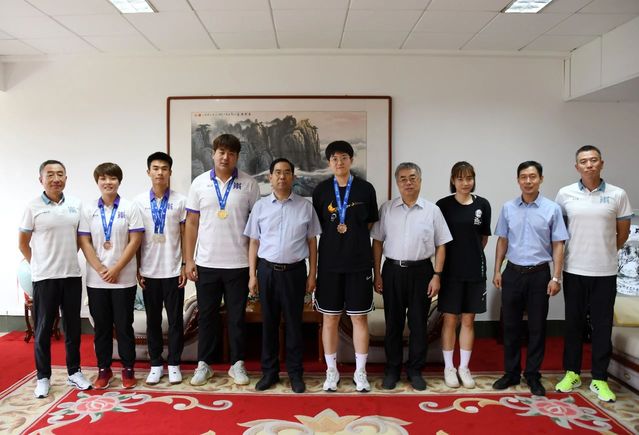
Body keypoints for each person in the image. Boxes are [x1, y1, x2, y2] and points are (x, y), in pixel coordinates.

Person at [554, 145, 633, 402]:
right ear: (576, 166)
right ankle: (572, 373)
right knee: (573, 325)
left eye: (593, 160)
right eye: (584, 161)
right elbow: (559, 234)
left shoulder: (618, 194)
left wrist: (605, 252)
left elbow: (623, 234)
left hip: (605, 272)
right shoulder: (565, 194)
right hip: (574, 269)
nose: (589, 165)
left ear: (601, 163)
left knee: (602, 326)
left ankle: (599, 378)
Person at [184, 133, 260, 386]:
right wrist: (189, 260)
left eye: (231, 153)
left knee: (237, 317)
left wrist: (254, 268)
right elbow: (192, 223)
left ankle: (237, 364)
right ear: (213, 154)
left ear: (237, 157)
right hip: (206, 262)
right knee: (207, 316)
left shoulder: (249, 184)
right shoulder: (199, 183)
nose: (225, 157)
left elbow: (256, 228)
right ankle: (204, 364)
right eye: (221, 152)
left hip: (239, 263)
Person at [372, 162, 452, 391]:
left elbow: (442, 244)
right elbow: (377, 242)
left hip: (422, 272)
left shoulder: (432, 210)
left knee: (418, 325)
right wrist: (377, 273)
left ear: (420, 181)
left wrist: (437, 275)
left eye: (412, 178)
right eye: (403, 179)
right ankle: (392, 369)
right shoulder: (387, 209)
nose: (408, 182)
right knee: (393, 324)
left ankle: (415, 370)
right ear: (397, 183)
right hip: (393, 271)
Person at [244, 158, 321, 393]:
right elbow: (254, 242)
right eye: (277, 172)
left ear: (293, 177)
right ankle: (269, 372)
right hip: (267, 271)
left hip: (295, 273)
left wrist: (312, 274)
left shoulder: (305, 207)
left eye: (287, 172)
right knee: (269, 323)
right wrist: (252, 275)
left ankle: (295, 374)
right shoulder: (260, 206)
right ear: (270, 177)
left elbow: (312, 242)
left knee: (294, 325)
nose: (282, 177)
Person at [492, 161, 568, 396]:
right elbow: (502, 240)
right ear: (518, 180)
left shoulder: (552, 209)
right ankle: (511, 372)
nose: (528, 181)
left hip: (539, 274)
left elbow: (558, 244)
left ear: (541, 179)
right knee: (510, 326)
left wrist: (556, 277)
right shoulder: (508, 208)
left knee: (537, 327)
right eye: (523, 177)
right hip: (513, 273)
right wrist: (497, 270)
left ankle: (533, 374)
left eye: (533, 176)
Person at [18, 160, 92, 398]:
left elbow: (79, 240)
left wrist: (66, 258)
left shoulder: (75, 204)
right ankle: (43, 377)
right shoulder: (32, 207)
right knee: (42, 330)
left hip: (71, 275)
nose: (56, 179)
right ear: (41, 179)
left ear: (66, 178)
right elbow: (23, 243)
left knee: (72, 328)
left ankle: (74, 372)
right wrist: (38, 263)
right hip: (45, 278)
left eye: (60, 174)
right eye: (50, 175)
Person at [312, 140, 379, 392]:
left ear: (351, 160)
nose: (339, 162)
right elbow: (317, 227)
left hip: (359, 264)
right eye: (334, 158)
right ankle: (331, 371)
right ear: (329, 162)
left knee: (359, 318)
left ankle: (360, 373)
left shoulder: (365, 189)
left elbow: (370, 224)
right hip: (329, 265)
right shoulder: (321, 191)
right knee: (330, 319)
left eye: (343, 157)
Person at [78, 162, 144, 389]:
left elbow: (135, 240)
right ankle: (103, 370)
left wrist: (116, 269)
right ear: (97, 182)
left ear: (119, 181)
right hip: (97, 281)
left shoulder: (130, 207)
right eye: (103, 178)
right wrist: (100, 269)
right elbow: (84, 241)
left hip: (124, 279)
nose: (108, 182)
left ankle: (128, 369)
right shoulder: (88, 209)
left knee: (124, 326)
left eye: (113, 178)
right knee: (102, 328)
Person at [436, 161, 491, 389]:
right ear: (453, 180)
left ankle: (464, 367)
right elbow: (439, 241)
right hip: (450, 272)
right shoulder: (442, 205)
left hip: (475, 272)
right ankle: (449, 367)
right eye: (460, 179)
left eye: (469, 178)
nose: (465, 183)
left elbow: (483, 238)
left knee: (468, 320)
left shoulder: (483, 205)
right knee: (450, 320)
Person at [134, 152, 187, 386]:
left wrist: (185, 264)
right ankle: (155, 364)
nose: (160, 173)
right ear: (148, 172)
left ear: (170, 172)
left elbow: (185, 234)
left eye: (164, 168)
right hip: (149, 272)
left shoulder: (181, 201)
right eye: (155, 168)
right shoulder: (138, 202)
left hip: (173, 271)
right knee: (153, 320)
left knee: (175, 321)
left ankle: (174, 364)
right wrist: (137, 267)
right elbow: (135, 238)